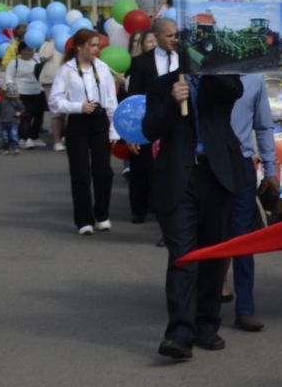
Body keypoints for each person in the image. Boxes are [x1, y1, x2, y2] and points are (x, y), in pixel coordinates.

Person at [143, 59, 249, 360]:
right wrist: (172, 103)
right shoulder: (163, 84)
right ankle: (180, 334)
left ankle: (206, 325)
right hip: (179, 178)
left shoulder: (221, 79)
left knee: (213, 255)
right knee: (183, 257)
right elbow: (149, 128)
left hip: (217, 176)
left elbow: (233, 91)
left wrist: (209, 71)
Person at [49, 30, 119, 235]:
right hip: (78, 122)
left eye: (98, 45)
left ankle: (102, 214)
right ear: (79, 47)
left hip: (99, 121)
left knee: (104, 171)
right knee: (80, 173)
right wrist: (78, 106)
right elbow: (55, 101)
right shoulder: (67, 69)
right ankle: (83, 220)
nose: (96, 49)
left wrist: (114, 130)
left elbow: (111, 101)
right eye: (93, 45)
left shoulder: (103, 67)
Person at [229, 73, 280, 332]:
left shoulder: (253, 79)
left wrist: (271, 169)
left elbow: (263, 125)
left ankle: (245, 308)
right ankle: (199, 305)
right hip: (203, 167)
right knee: (207, 235)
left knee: (242, 238)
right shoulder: (198, 74)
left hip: (241, 164)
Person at [127, 18, 186, 225]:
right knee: (143, 169)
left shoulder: (185, 59)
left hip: (178, 122)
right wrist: (131, 132)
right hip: (151, 120)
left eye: (176, 35)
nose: (174, 40)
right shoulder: (142, 62)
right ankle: (140, 208)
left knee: (170, 171)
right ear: (157, 36)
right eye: (169, 36)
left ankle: (166, 217)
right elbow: (134, 95)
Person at [2, 38, 48, 147]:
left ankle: (35, 136)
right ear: (21, 50)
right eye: (28, 50)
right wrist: (12, 90)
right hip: (22, 93)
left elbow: (42, 76)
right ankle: (24, 138)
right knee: (25, 116)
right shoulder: (15, 62)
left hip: (37, 91)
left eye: (32, 50)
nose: (30, 52)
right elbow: (9, 78)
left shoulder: (36, 61)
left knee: (38, 115)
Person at [0, 83, 23, 153]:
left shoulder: (17, 101)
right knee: (5, 136)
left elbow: (22, 108)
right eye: (10, 94)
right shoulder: (2, 101)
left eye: (13, 94)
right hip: (4, 121)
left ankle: (16, 147)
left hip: (14, 121)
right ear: (6, 93)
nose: (12, 96)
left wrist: (19, 112)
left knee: (14, 134)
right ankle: (6, 148)